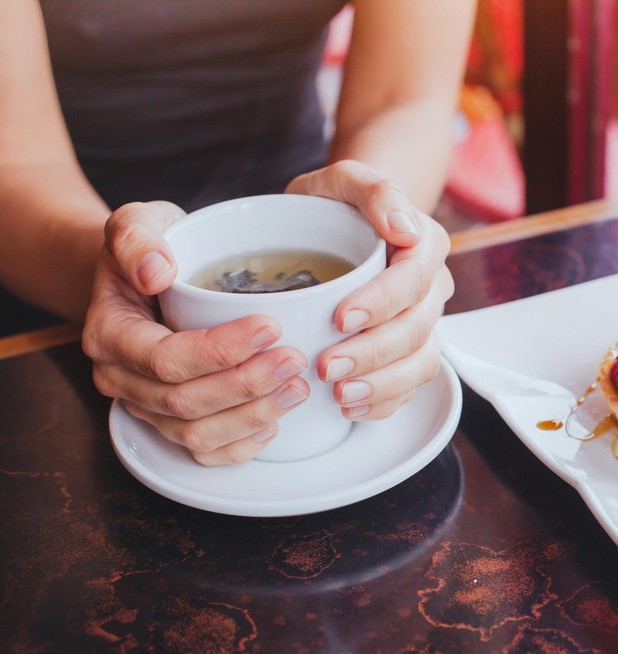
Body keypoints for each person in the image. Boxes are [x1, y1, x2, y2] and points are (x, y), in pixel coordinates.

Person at [0, 0, 475, 465]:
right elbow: (19, 164)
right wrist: (120, 280)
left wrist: (376, 219)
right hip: (57, 276)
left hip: (315, 195)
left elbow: (405, 99)